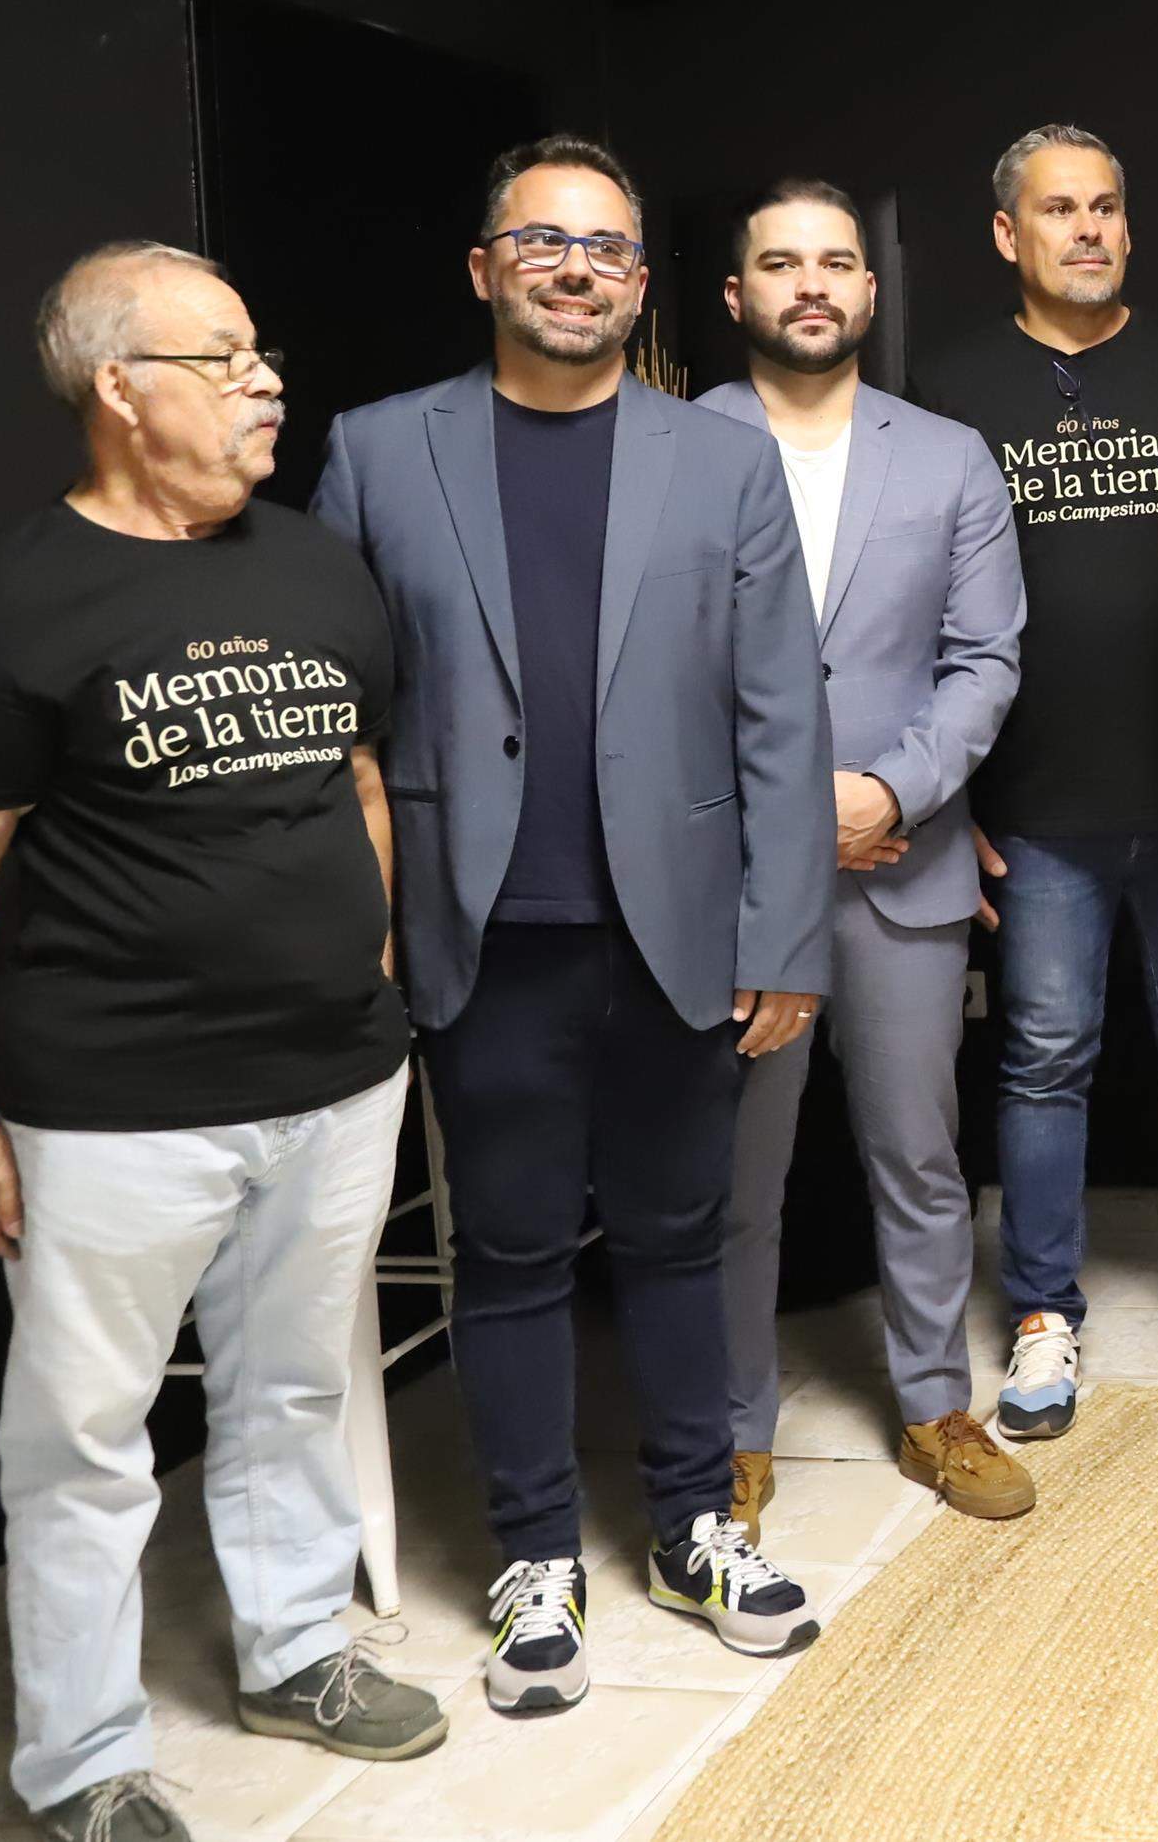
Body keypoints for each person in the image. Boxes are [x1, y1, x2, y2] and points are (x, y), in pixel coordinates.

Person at [0, 246, 447, 1842]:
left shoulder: (320, 566)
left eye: (260, 350)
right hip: (115, 1106)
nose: (267, 379)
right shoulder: (1, 603)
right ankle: (82, 1761)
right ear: (120, 388)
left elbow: (358, 783)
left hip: (335, 1078)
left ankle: (296, 1654)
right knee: (81, 1439)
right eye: (225, 356)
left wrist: (371, 974)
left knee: (292, 1387)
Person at [314, 136, 836, 1715]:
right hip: (480, 932)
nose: (575, 267)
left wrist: (784, 936)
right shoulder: (376, 450)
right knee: (512, 1251)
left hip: (678, 931)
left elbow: (782, 717)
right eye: (542, 239)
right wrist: (365, 924)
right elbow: (338, 717)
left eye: (605, 247)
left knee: (680, 1238)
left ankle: (692, 1525)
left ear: (640, 283)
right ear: (485, 267)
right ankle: (534, 1553)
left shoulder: (720, 458)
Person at [907, 124, 1158, 1439]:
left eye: (1104, 207)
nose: (1085, 228)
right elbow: (916, 610)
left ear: (1128, 225)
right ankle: (1040, 1309)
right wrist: (948, 798)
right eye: (1057, 208)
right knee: (1042, 1058)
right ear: (1006, 233)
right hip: (1036, 808)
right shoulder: (949, 388)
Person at [702, 180, 1035, 1535]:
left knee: (920, 1157)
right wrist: (790, 809)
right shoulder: (674, 447)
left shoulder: (948, 456)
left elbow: (984, 658)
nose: (811, 283)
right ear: (737, 293)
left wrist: (889, 787)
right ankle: (729, 1432)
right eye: (781, 261)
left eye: (834, 261)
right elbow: (649, 671)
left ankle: (936, 1406)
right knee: (736, 1178)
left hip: (904, 859)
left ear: (868, 289)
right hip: (733, 877)